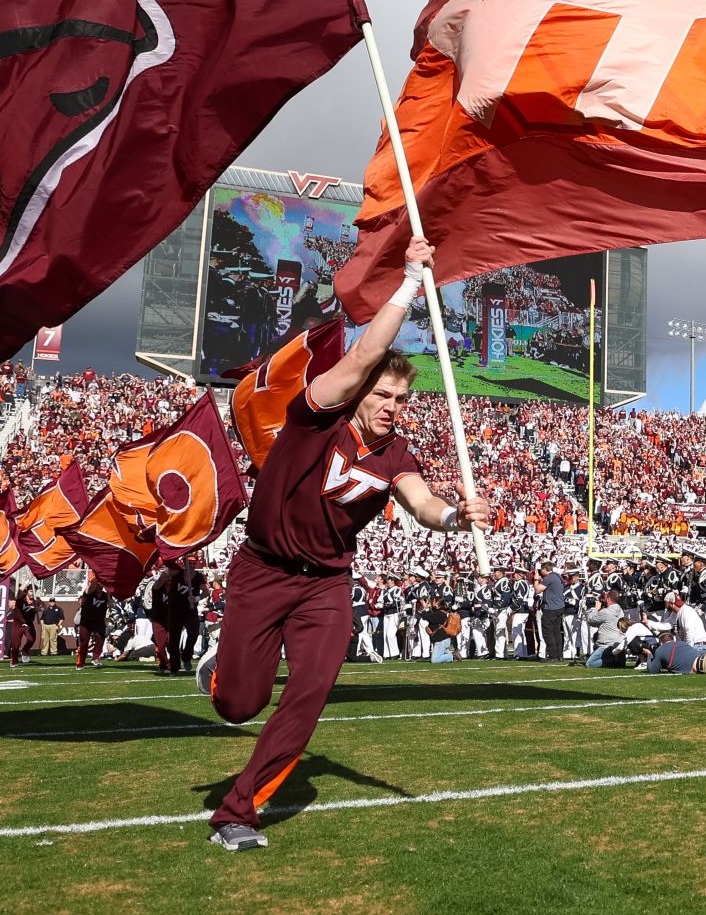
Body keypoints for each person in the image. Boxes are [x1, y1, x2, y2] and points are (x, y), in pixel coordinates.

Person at [196, 237, 488, 852]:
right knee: (240, 704)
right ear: (357, 392)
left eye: (401, 399)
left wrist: (457, 519)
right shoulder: (315, 418)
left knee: (311, 692)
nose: (391, 406)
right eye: (382, 395)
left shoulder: (396, 452)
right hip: (264, 569)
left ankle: (238, 811)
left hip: (327, 583)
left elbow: (421, 501)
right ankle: (222, 678)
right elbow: (363, 357)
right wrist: (410, 284)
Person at [584, 589, 626, 668]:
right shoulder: (620, 610)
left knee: (590, 664)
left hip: (606, 645)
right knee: (596, 637)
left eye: (606, 597)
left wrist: (594, 609)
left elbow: (591, 621)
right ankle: (616, 657)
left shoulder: (605, 612)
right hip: (618, 643)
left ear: (609, 598)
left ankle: (612, 660)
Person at [538, 559, 567, 660]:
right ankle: (558, 655)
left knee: (548, 632)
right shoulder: (557, 576)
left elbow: (537, 590)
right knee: (556, 632)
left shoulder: (548, 578)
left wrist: (536, 580)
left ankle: (552, 655)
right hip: (559, 607)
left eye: (541, 570)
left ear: (545, 569)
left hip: (550, 608)